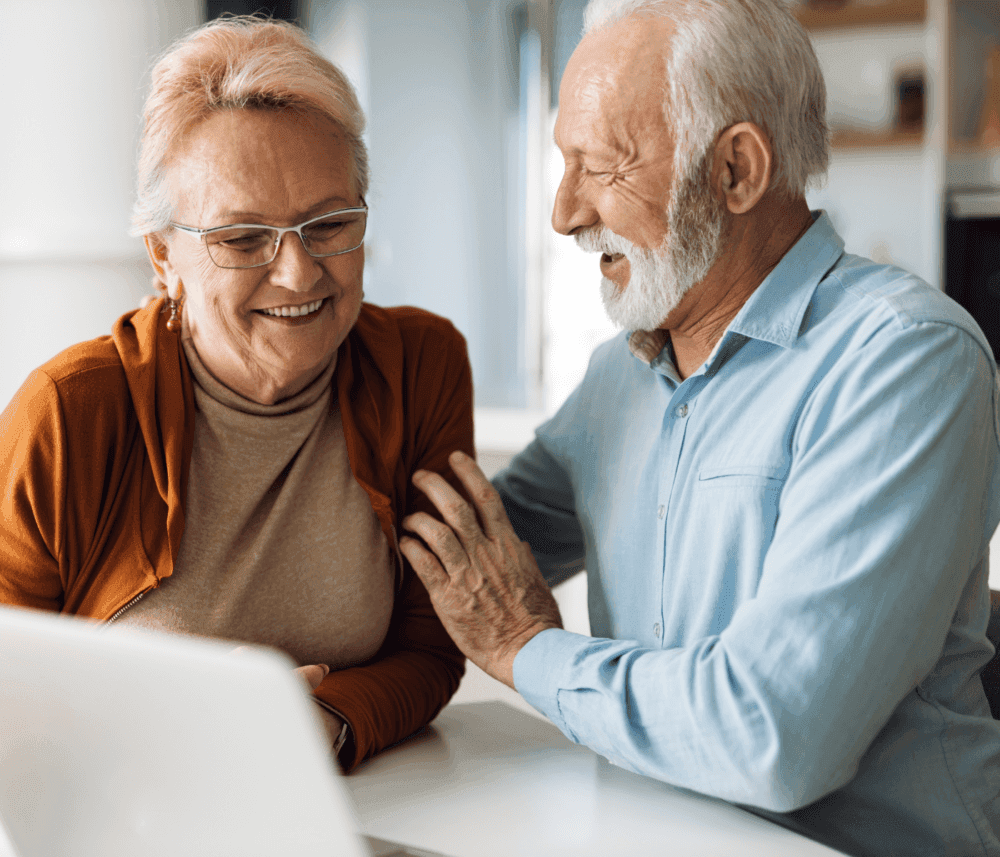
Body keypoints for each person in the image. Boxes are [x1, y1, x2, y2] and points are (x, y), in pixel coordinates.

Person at [398, 1, 1000, 855]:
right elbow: (460, 551)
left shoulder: (905, 360)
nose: (564, 213)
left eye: (597, 166)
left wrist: (528, 647)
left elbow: (775, 735)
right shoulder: (621, 375)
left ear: (736, 171)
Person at [0, 16, 471, 772]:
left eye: (330, 224)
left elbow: (431, 642)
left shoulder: (420, 364)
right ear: (163, 256)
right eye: (242, 238)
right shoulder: (68, 411)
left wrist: (322, 721)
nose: (298, 273)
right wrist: (204, 728)